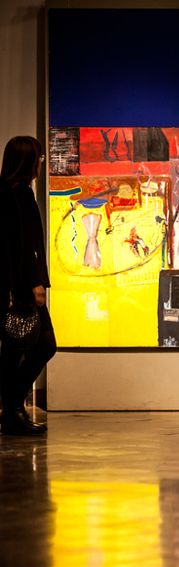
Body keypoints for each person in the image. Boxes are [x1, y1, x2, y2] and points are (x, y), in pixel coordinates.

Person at [0, 136, 56, 436]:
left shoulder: (14, 192)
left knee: (15, 350)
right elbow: (23, 246)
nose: (41, 163)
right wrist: (36, 282)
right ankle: (12, 407)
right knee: (43, 345)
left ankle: (11, 410)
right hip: (22, 286)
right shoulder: (19, 193)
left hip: (18, 284)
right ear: (28, 161)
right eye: (39, 158)